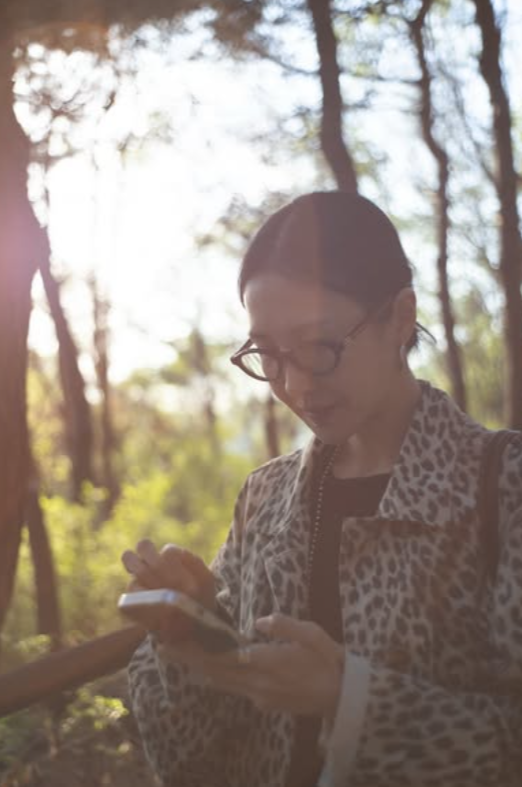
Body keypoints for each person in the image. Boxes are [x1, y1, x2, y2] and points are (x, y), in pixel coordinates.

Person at [122, 191, 522, 787]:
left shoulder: (502, 486)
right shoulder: (266, 497)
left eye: (317, 347)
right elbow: (191, 760)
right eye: (270, 354)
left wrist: (348, 697)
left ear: (400, 317)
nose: (295, 383)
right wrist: (198, 634)